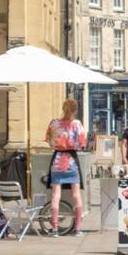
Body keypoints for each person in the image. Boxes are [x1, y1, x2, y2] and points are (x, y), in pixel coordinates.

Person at [45, 98, 86, 236]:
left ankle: (55, 228)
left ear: (63, 108)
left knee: (55, 195)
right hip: (71, 161)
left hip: (57, 161)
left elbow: (49, 142)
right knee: (76, 195)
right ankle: (78, 228)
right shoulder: (77, 124)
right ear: (75, 110)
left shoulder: (54, 123)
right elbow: (82, 144)